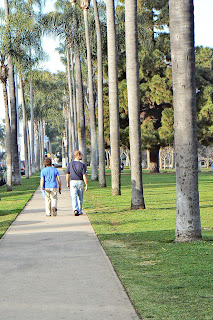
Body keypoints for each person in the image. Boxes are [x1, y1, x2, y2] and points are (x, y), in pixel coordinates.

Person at [66, 150, 88, 216]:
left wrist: (67, 183)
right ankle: (80, 210)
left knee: (74, 197)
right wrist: (86, 184)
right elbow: (84, 175)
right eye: (81, 155)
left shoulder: (70, 164)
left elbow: (67, 174)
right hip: (80, 181)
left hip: (72, 182)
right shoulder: (82, 165)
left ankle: (75, 209)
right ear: (78, 155)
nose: (81, 156)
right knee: (80, 197)